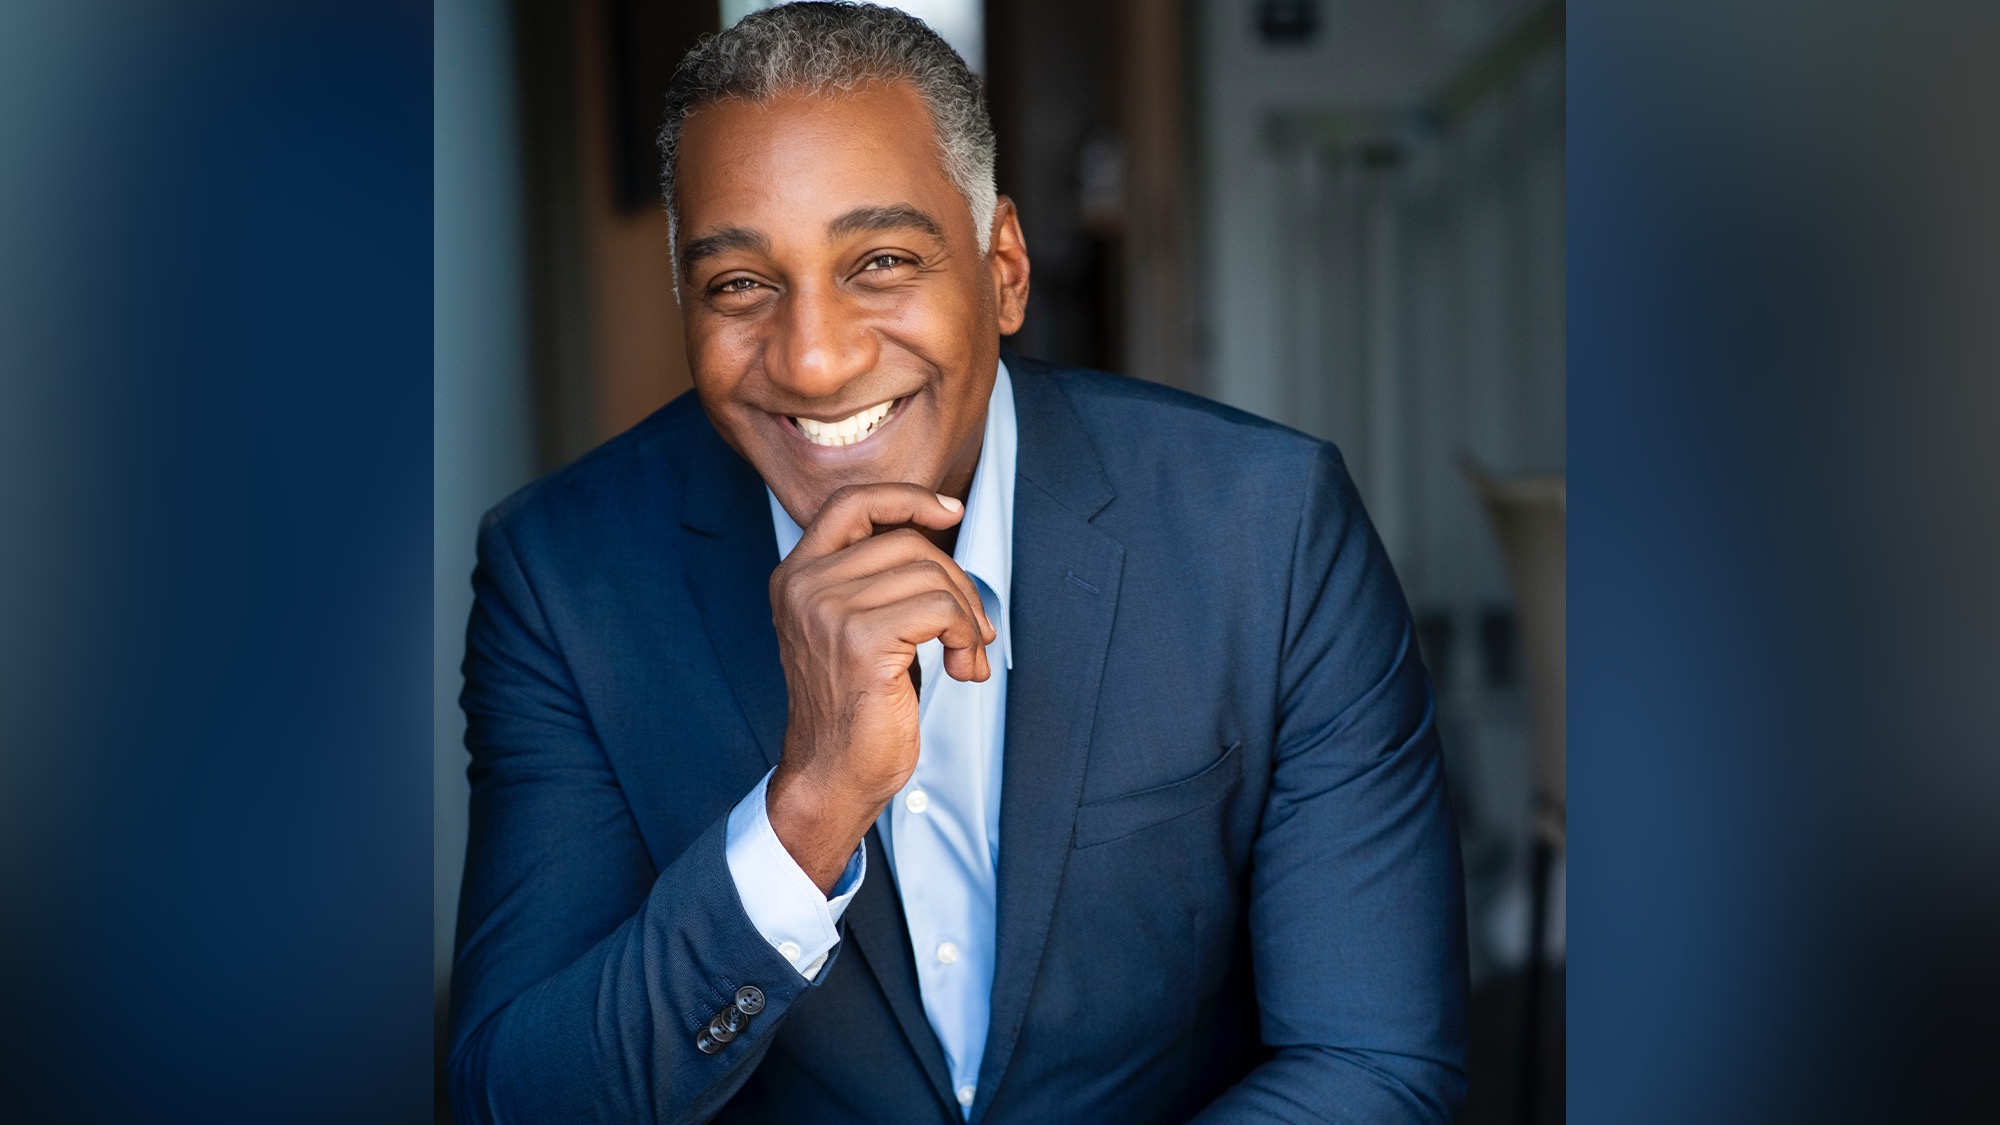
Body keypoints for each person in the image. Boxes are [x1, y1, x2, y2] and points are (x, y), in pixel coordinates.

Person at [448, 4, 1466, 1122]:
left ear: (1004, 272)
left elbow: (1373, 1066)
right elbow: (518, 1098)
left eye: (879, 261)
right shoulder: (561, 577)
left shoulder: (1264, 530)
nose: (816, 358)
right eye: (739, 284)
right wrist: (807, 814)